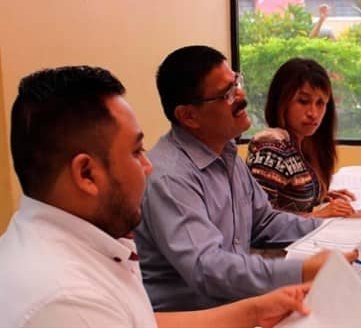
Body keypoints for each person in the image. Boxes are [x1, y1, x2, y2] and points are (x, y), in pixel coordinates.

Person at [0, 66, 311, 328]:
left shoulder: (67, 242)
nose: (148, 167)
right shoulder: (69, 303)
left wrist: (254, 311)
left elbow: (141, 320)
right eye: (137, 152)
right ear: (86, 174)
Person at [135, 46, 357, 311]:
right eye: (227, 94)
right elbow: (209, 269)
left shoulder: (226, 154)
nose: (241, 96)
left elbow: (264, 221)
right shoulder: (171, 178)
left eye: (236, 83)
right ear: (189, 116)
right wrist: (299, 271)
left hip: (236, 302)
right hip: (198, 315)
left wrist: (336, 230)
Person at [247, 58, 361, 218]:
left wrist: (318, 196)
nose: (313, 113)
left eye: (320, 103)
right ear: (281, 101)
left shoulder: (303, 143)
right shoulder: (271, 148)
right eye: (303, 101)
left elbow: (288, 199)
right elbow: (260, 222)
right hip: (284, 243)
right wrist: (320, 215)